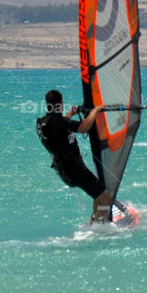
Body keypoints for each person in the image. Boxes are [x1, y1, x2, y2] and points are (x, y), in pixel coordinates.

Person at [36, 89, 112, 222]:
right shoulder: (59, 122)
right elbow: (83, 127)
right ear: (61, 103)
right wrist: (95, 111)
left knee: (98, 195)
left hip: (62, 169)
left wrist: (70, 114)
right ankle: (101, 228)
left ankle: (95, 223)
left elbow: (58, 127)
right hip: (75, 169)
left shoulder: (43, 123)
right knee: (104, 197)